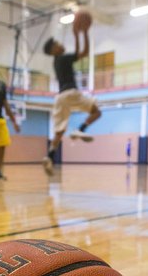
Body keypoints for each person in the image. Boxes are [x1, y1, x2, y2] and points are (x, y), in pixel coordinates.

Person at [41, 27, 102, 176]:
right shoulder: (63, 58)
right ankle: (80, 129)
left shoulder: (57, 61)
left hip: (60, 98)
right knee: (97, 112)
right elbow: (84, 52)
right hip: (71, 93)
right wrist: (82, 33)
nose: (60, 44)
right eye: (56, 44)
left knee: (59, 131)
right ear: (53, 51)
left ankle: (49, 157)